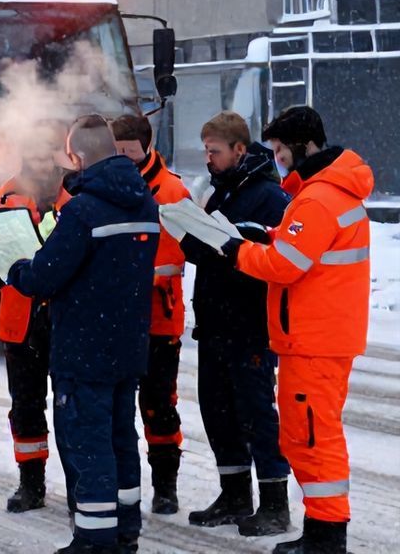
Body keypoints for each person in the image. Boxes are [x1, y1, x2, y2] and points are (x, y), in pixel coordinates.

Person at [217, 106, 373, 554]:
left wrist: (237, 250)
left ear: (303, 146)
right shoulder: (331, 194)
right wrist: (267, 236)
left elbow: (286, 265)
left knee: (311, 438)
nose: (278, 159)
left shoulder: (318, 198)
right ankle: (322, 530)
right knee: (308, 435)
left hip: (314, 340)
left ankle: (326, 538)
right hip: (321, 336)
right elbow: (300, 249)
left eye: (282, 151)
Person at [7, 114, 159, 554]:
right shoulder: (144, 202)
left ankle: (94, 538)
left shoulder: (82, 211)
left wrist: (19, 268)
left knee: (88, 443)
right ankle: (125, 526)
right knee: (120, 438)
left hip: (83, 348)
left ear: (78, 156)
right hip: (127, 343)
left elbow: (45, 276)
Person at [179, 112, 292, 536]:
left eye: (215, 151)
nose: (208, 159)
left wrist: (231, 240)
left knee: (256, 414)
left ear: (239, 150)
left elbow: (270, 252)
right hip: (214, 323)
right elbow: (204, 246)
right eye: (205, 150)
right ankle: (234, 493)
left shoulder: (268, 195)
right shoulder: (222, 190)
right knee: (218, 411)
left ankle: (275, 503)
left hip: (249, 324)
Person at [110, 114, 190, 515]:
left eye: (128, 151)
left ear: (146, 146)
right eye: (116, 151)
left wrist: (127, 278)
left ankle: (165, 487)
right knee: (117, 407)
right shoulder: (106, 185)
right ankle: (123, 486)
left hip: (159, 318)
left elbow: (175, 256)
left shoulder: (172, 191)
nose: (122, 158)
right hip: (119, 320)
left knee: (159, 406)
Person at [0, 128, 69, 514]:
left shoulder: (76, 194)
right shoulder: (3, 195)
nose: (40, 164)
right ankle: (31, 484)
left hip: (64, 315)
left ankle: (80, 485)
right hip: (20, 316)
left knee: (72, 406)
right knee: (25, 406)